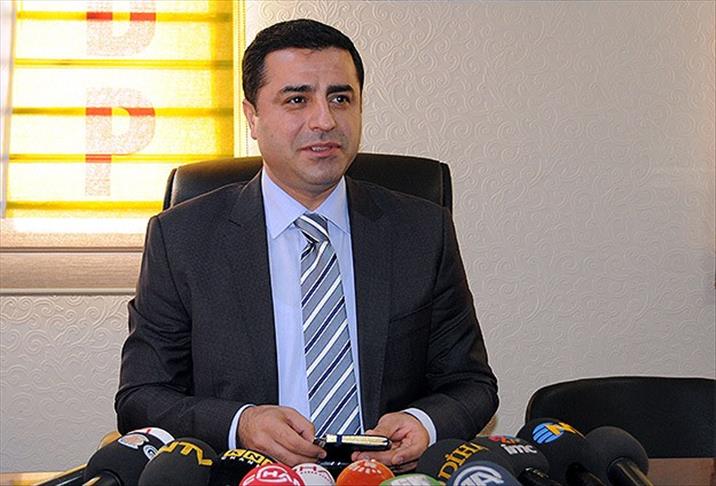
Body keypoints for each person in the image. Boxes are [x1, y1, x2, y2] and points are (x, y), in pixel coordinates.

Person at [115, 18, 498, 471]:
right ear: (252, 117)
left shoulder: (420, 230)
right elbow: (141, 397)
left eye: (340, 98)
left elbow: (471, 384)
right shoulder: (183, 238)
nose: (325, 120)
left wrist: (424, 423)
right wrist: (241, 423)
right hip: (248, 477)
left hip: (384, 477)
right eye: (297, 99)